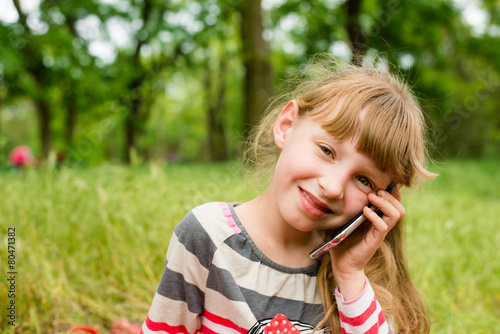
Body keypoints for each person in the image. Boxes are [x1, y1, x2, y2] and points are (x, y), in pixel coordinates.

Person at [140, 60, 436, 334]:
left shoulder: (360, 279)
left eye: (363, 180)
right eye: (327, 151)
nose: (333, 188)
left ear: (383, 201)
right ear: (286, 126)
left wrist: (349, 274)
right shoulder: (206, 236)